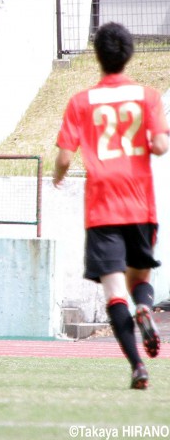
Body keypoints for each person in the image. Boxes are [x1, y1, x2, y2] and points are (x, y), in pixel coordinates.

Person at [53, 22, 169, 390]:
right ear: (129, 53)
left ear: (98, 57)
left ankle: (137, 366)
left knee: (114, 291)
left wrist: (58, 175)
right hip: (140, 204)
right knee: (140, 281)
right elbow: (161, 146)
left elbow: (64, 157)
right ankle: (145, 308)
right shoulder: (147, 96)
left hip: (102, 208)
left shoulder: (81, 101)